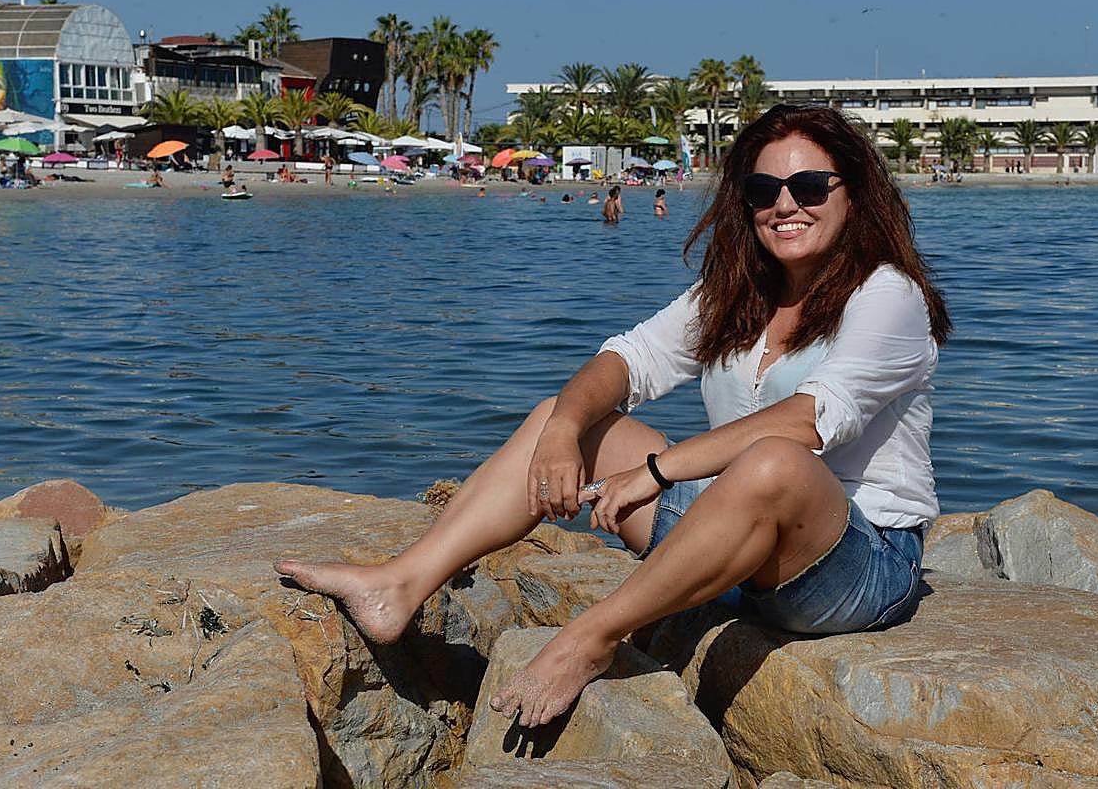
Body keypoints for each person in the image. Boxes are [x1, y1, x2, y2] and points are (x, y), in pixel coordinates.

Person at [274, 104, 951, 730]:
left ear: (853, 193)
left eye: (808, 187)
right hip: (741, 549)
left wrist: (657, 470)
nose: (784, 205)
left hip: (858, 564)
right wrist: (565, 433)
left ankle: (589, 640)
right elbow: (626, 361)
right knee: (559, 418)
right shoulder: (736, 294)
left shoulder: (887, 294)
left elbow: (808, 422)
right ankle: (400, 585)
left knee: (776, 462)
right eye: (762, 191)